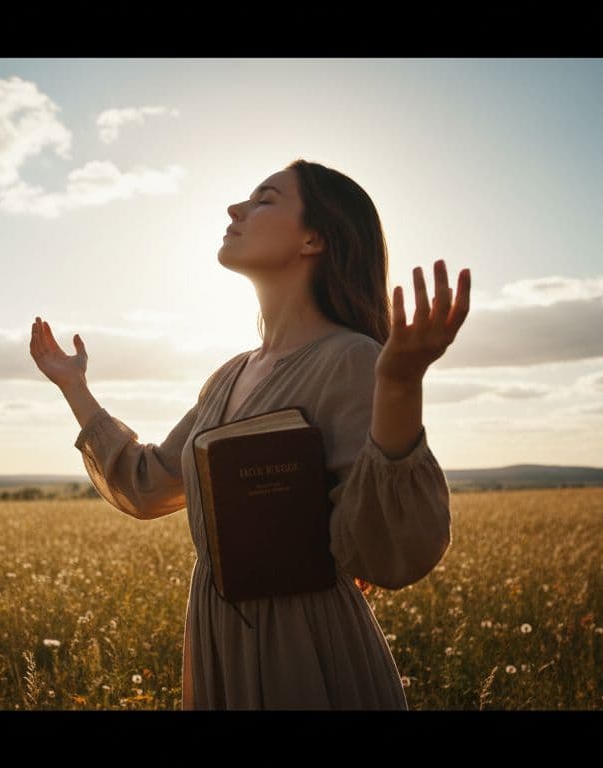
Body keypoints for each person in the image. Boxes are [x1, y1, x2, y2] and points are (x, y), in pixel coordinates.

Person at [29, 158, 470, 710]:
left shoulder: (353, 361)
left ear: (314, 238)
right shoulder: (229, 375)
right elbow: (146, 485)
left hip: (305, 646)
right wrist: (74, 387)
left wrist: (401, 383)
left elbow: (389, 554)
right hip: (218, 637)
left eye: (264, 199)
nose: (235, 209)